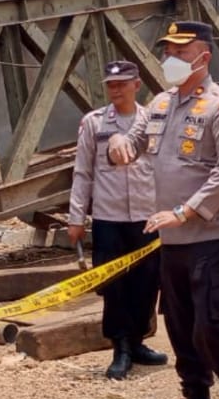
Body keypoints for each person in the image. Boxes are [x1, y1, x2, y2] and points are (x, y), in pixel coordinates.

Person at [107, 20, 219, 399]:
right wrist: (117, 146)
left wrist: (185, 210)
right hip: (172, 239)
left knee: (214, 324)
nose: (170, 60)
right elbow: (131, 143)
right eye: (168, 51)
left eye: (180, 51)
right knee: (180, 324)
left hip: (213, 234)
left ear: (203, 57)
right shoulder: (159, 104)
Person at [66, 60, 166, 380]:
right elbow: (82, 173)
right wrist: (76, 218)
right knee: (114, 285)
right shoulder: (94, 123)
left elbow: (165, 166)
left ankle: (138, 342)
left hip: (147, 216)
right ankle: (120, 348)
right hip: (109, 218)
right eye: (111, 84)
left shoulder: (153, 121)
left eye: (123, 83)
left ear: (137, 85)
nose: (116, 89)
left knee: (147, 283)